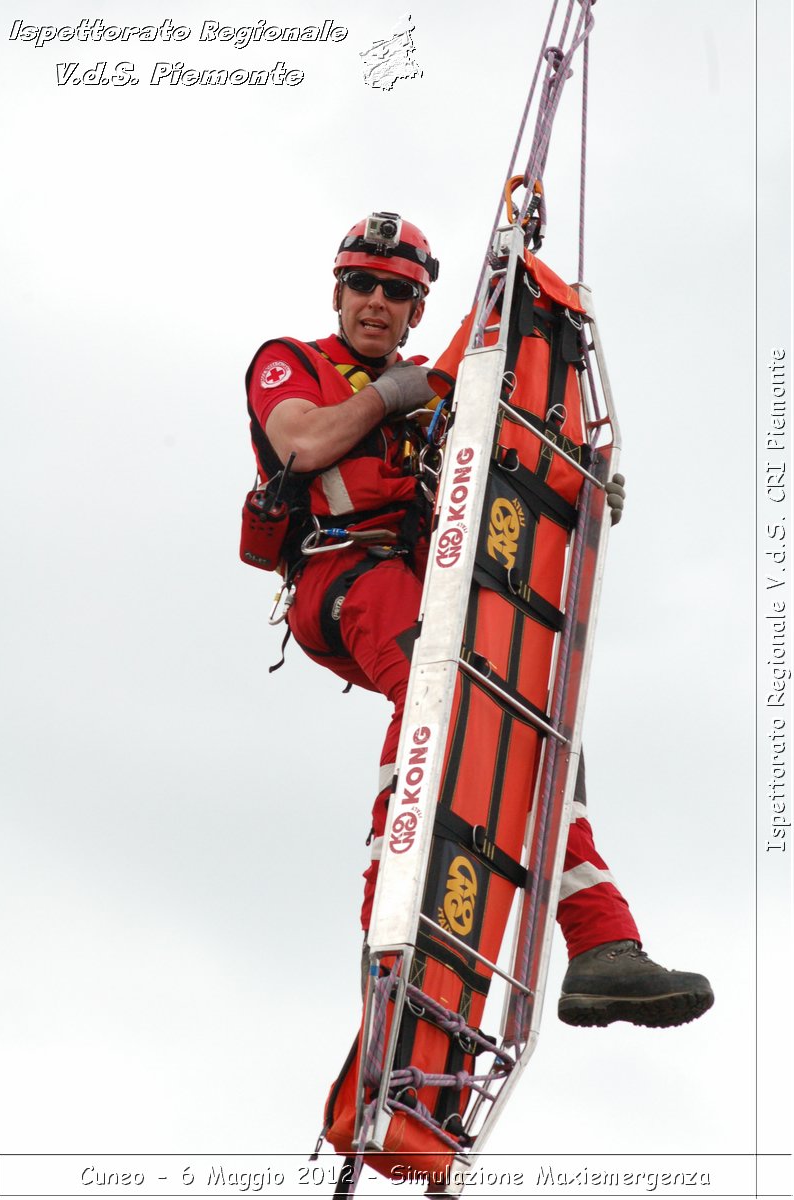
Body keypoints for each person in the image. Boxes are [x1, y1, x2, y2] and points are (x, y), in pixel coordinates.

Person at [245, 212, 714, 1029]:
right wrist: (395, 392)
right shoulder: (293, 364)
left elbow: (498, 464)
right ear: (338, 288)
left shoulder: (440, 388)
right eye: (363, 283)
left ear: (418, 308)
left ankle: (604, 943)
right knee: (445, 686)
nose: (377, 302)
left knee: (535, 728)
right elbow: (304, 446)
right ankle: (388, 925)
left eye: (399, 291)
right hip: (344, 573)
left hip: (425, 573)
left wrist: (578, 492)